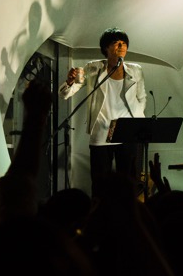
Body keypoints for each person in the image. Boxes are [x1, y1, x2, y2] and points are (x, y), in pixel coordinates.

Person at [59, 27, 146, 196]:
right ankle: (100, 211)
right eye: (116, 43)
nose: (121, 46)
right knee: (100, 184)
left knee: (129, 183)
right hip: (101, 132)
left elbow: (142, 98)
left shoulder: (136, 70)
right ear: (106, 48)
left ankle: (127, 211)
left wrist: (137, 122)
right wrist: (69, 82)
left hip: (128, 132)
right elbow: (66, 94)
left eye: (124, 43)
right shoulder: (93, 68)